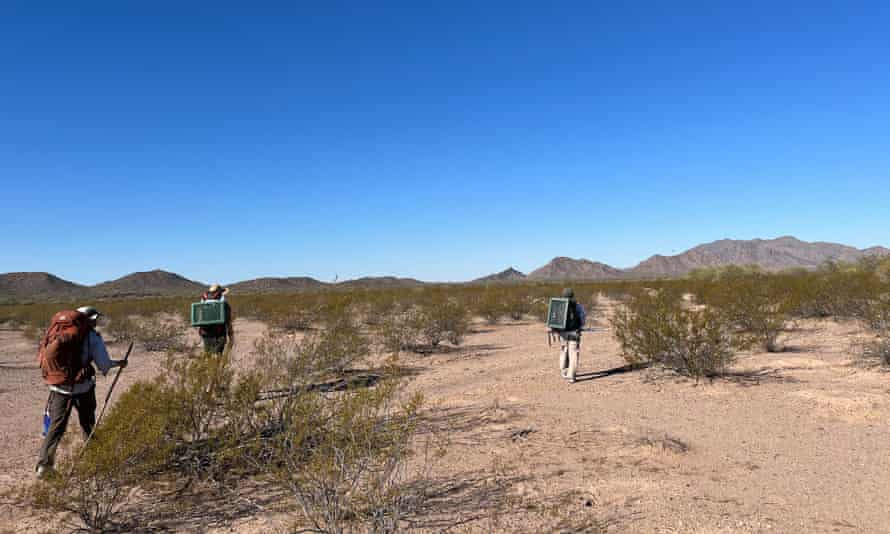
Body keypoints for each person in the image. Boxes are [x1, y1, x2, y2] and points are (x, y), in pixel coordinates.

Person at [36, 306, 127, 478]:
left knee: (56, 426)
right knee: (88, 423)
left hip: (57, 387)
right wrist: (118, 363)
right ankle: (94, 462)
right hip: (82, 388)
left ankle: (44, 465)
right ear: (91, 320)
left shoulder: (54, 332)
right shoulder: (92, 337)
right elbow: (104, 365)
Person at [557, 288, 586, 383]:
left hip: (563, 332)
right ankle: (571, 376)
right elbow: (582, 317)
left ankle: (563, 371)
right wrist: (580, 327)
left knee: (563, 350)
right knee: (573, 353)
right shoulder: (577, 306)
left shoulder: (559, 305)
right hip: (574, 332)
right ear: (572, 295)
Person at [198, 284, 234, 354]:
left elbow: (200, 319)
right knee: (218, 354)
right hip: (219, 333)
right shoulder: (225, 305)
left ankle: (207, 364)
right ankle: (216, 364)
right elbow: (228, 322)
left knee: (208, 353)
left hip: (205, 332)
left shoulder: (203, 306)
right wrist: (231, 336)